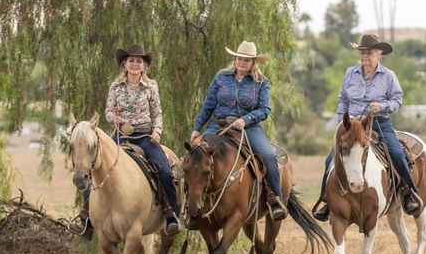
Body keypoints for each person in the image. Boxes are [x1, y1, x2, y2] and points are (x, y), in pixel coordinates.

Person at [69, 44, 181, 239]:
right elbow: (107, 111)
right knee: (95, 167)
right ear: (125, 64)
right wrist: (114, 119)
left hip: (145, 136)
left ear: (144, 65)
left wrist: (157, 131)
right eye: (131, 61)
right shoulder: (115, 87)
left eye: (139, 61)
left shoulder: (151, 88)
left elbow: (158, 113)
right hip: (120, 137)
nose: (135, 64)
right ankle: (86, 216)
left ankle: (171, 214)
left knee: (163, 169)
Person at [312, 34, 422, 222]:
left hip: (379, 123)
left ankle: (408, 192)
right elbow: (342, 100)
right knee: (330, 160)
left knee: (396, 153)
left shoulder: (388, 76)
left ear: (379, 54)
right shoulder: (350, 73)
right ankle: (326, 200)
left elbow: (397, 100)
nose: (364, 56)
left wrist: (382, 106)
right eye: (362, 52)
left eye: (369, 53)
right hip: (352, 125)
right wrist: (343, 124)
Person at [189, 41, 287, 220]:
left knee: (269, 156)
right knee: (194, 154)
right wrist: (197, 128)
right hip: (218, 124)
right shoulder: (221, 77)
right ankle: (191, 204)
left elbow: (265, 109)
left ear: (253, 63)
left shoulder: (261, 82)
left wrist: (246, 119)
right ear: (235, 59)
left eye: (246, 60)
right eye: (239, 59)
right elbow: (208, 105)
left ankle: (275, 199)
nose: (242, 63)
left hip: (248, 128)